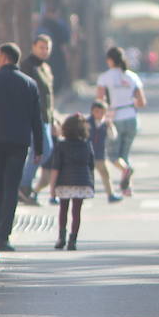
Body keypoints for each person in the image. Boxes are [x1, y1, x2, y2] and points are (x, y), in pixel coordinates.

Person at [0, 42, 45, 252]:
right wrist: (39, 148)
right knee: (11, 188)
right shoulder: (30, 84)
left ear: (4, 57)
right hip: (19, 143)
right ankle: (4, 235)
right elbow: (36, 119)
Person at [96, 47, 145, 195]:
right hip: (131, 117)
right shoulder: (132, 77)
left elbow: (99, 101)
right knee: (125, 154)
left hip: (114, 118)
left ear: (110, 60)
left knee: (113, 155)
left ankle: (126, 171)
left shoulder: (104, 77)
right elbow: (142, 102)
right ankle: (127, 187)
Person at [46, 113, 96, 250]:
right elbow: (91, 166)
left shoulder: (61, 146)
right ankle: (73, 240)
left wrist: (52, 187)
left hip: (64, 182)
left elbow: (56, 167)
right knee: (76, 212)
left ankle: (61, 238)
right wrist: (91, 182)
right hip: (82, 182)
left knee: (63, 209)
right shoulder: (87, 145)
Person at [19, 34, 57, 205]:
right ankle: (24, 185)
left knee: (42, 151)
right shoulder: (27, 66)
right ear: (33, 47)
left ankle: (26, 186)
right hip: (34, 116)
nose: (44, 51)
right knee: (43, 150)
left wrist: (54, 119)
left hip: (47, 117)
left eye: (47, 48)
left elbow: (49, 95)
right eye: (41, 47)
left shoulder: (46, 68)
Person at [87, 99, 123, 203]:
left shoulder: (105, 124)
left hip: (100, 154)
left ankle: (111, 194)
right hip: (88, 154)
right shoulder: (87, 122)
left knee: (106, 174)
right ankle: (86, 193)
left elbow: (113, 136)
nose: (100, 114)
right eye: (98, 111)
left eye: (103, 112)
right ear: (93, 111)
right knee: (87, 175)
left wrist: (110, 126)